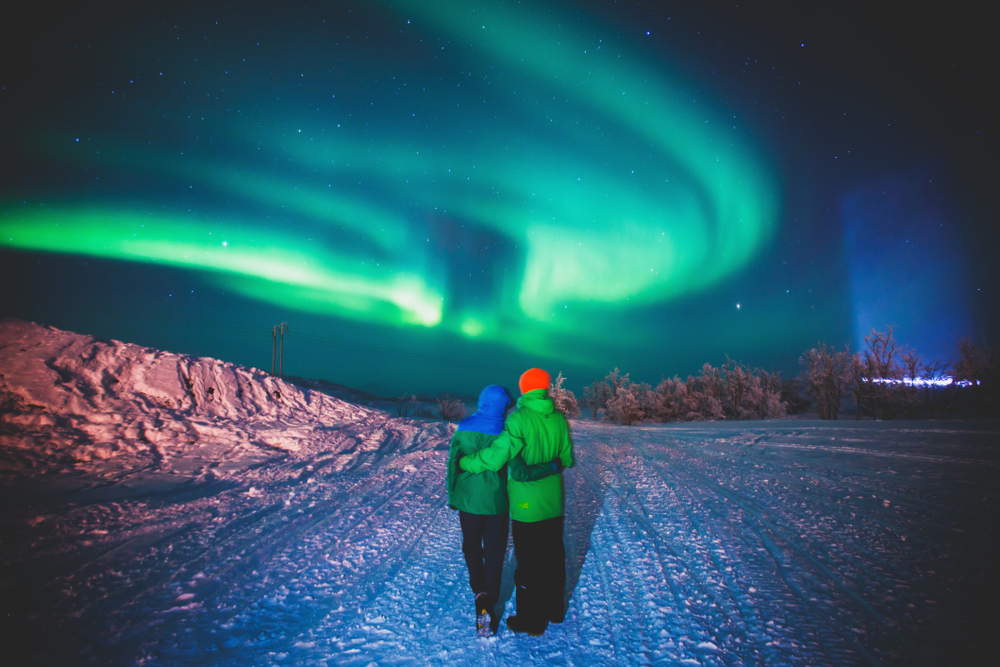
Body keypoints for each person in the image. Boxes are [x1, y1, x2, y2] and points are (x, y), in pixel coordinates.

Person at [458, 368, 574, 636]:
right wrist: (550, 464)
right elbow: (566, 459)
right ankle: (555, 610)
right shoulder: (559, 419)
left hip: (526, 507)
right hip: (553, 503)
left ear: (525, 388)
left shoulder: (518, 419)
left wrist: (466, 463)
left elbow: (495, 456)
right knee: (554, 557)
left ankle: (531, 620)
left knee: (529, 564)